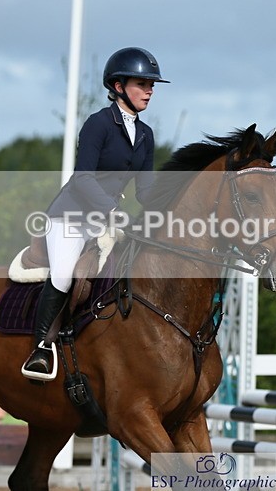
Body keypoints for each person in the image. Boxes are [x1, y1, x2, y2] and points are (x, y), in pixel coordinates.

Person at [21, 47, 169, 380]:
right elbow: (83, 177)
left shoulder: (145, 134)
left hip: (106, 221)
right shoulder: (98, 124)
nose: (149, 90)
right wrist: (113, 211)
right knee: (64, 274)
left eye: (151, 85)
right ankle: (41, 348)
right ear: (118, 86)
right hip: (71, 216)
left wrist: (169, 206)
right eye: (142, 84)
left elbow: (145, 190)